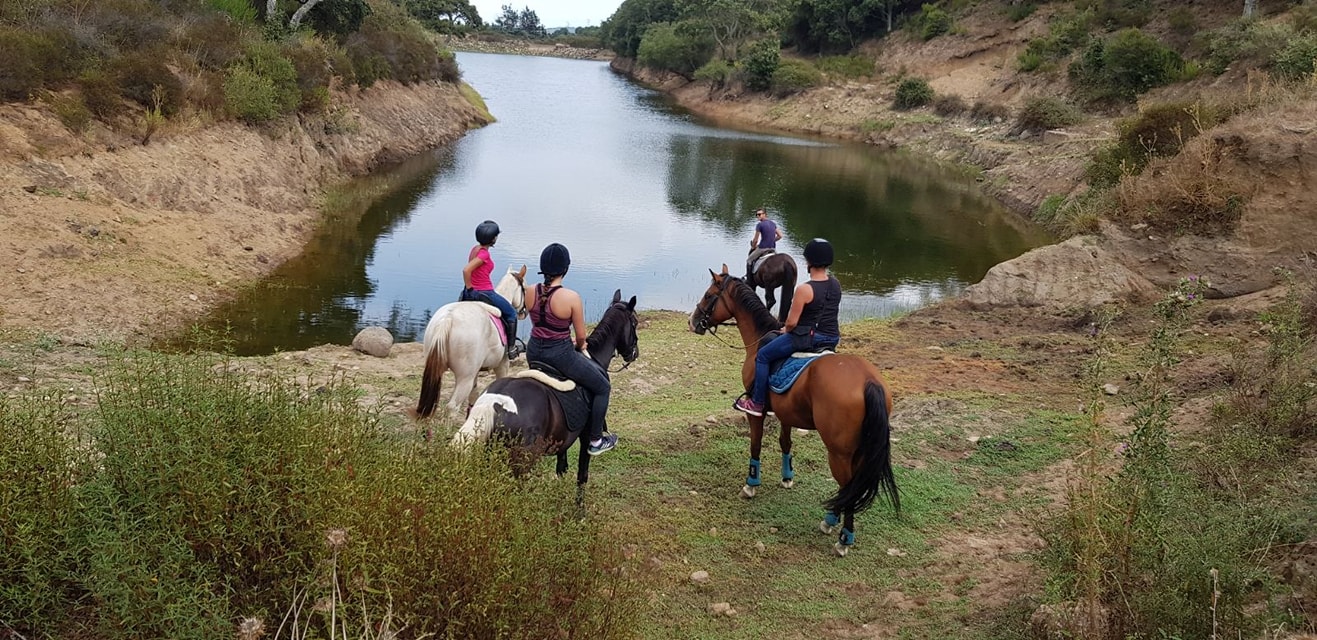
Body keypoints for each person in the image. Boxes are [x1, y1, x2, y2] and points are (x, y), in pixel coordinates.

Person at [525, 243, 618, 456]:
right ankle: (595, 440)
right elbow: (582, 336)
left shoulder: (530, 291)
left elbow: (538, 322)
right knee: (603, 387)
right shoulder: (571, 297)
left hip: (533, 352)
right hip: (560, 355)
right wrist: (579, 345)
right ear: (565, 269)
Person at [734, 238, 841, 417]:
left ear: (808, 261)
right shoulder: (836, 284)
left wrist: (786, 330)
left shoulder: (805, 290)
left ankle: (757, 403)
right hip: (832, 337)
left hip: (807, 337)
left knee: (762, 356)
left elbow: (791, 323)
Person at [462, 220, 522, 360]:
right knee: (512, 313)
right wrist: (472, 289)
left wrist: (468, 288)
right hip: (484, 292)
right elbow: (466, 270)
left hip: (469, 291)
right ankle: (512, 349)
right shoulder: (484, 255)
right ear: (493, 238)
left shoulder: (475, 249)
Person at [746, 207, 783, 283]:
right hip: (773, 248)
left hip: (763, 248)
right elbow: (780, 236)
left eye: (759, 214)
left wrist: (753, 246)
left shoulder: (759, 225)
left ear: (765, 214)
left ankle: (749, 280)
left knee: (749, 260)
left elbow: (755, 239)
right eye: (757, 215)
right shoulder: (773, 223)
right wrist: (772, 240)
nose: (758, 216)